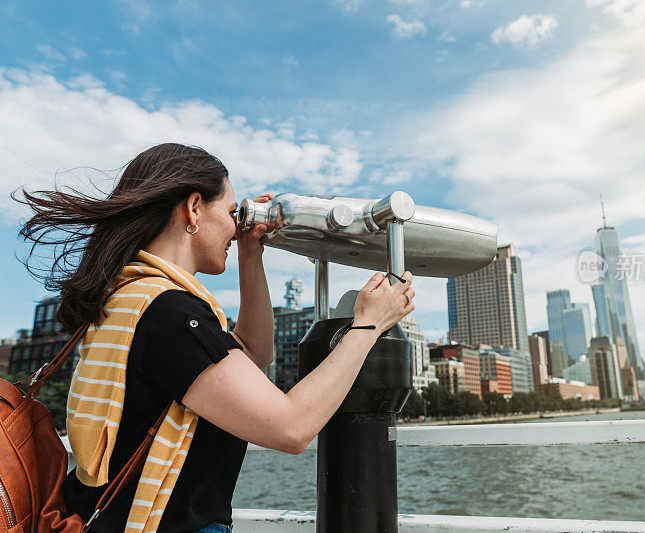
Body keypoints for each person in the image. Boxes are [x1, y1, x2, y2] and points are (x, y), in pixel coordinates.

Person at [16, 143, 414, 532]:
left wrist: (249, 255)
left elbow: (254, 355)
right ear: (193, 209)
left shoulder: (129, 298)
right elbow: (291, 428)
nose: (234, 225)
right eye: (229, 211)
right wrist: (369, 324)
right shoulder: (169, 312)